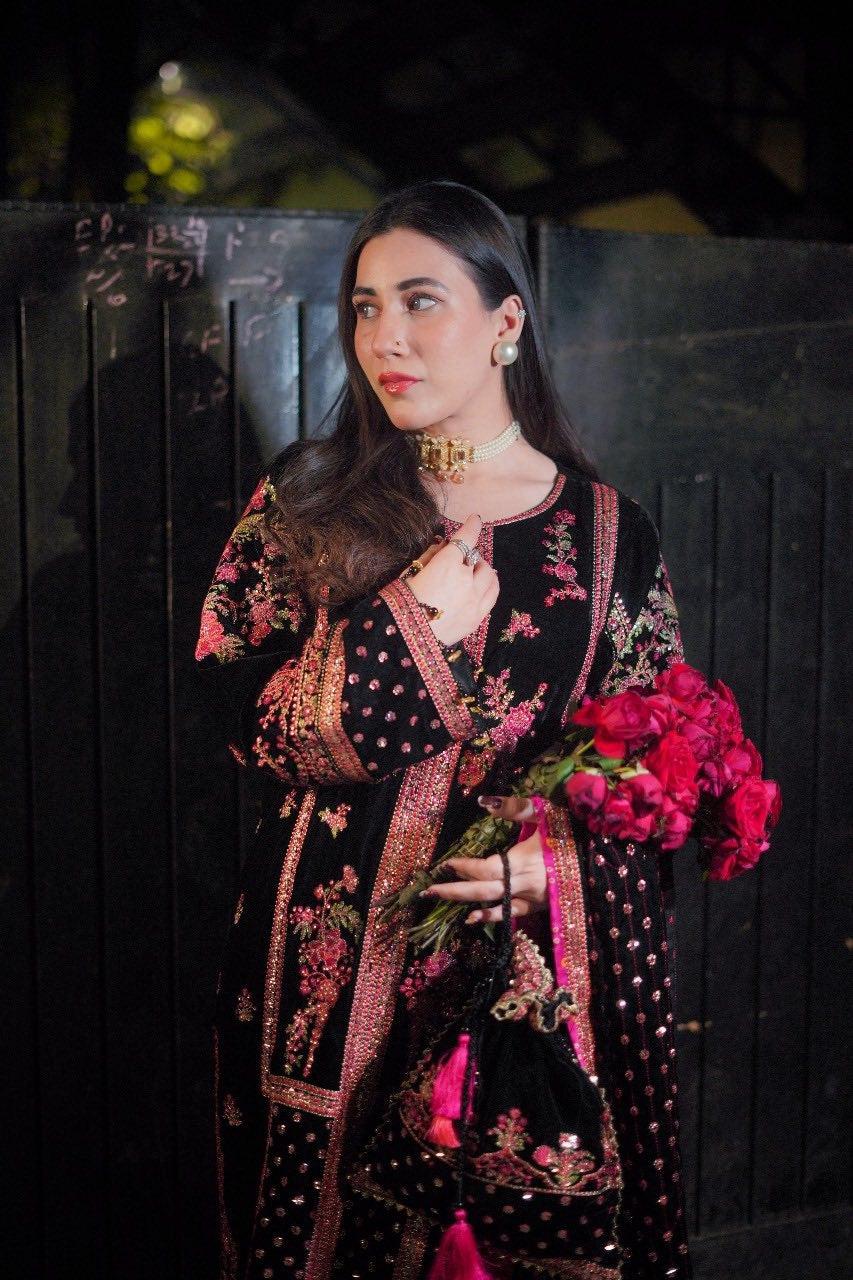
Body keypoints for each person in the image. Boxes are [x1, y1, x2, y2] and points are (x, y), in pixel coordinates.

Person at [195, 180, 693, 1279]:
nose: (386, 337)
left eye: (421, 301)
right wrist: (408, 622)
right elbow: (237, 721)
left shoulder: (609, 534)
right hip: (318, 990)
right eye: (365, 306)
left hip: (515, 1000)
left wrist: (556, 866)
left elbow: (661, 760)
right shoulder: (310, 502)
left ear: (505, 322)